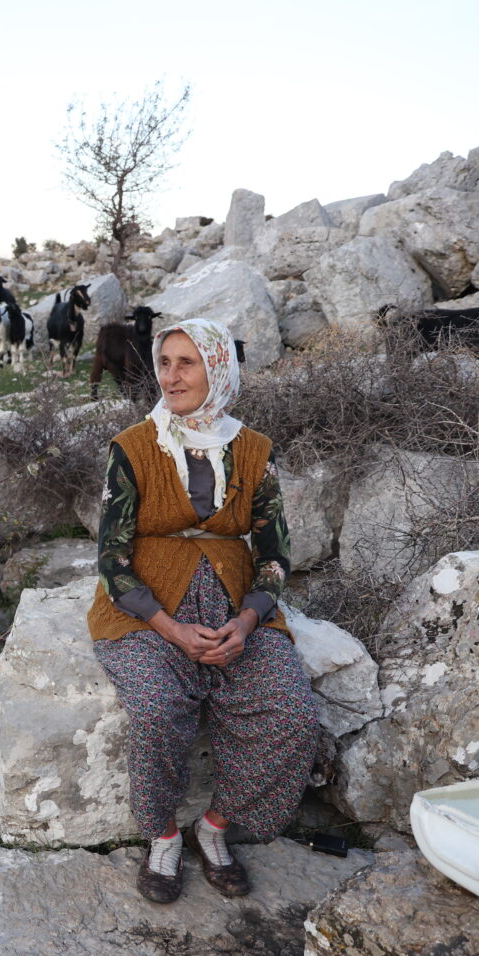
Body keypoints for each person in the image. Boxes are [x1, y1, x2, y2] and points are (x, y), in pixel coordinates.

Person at [87, 318, 318, 904]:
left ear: (217, 369)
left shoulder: (254, 449)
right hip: (146, 611)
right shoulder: (132, 447)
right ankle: (162, 835)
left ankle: (213, 827)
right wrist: (168, 628)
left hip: (233, 606)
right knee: (160, 707)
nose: (172, 375)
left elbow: (273, 556)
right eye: (165, 362)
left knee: (289, 710)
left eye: (188, 362)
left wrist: (247, 620)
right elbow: (111, 559)